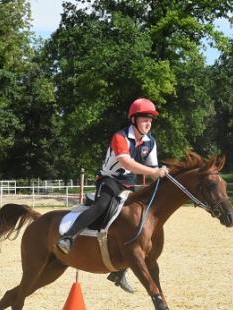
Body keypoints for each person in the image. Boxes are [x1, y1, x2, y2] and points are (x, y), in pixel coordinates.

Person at [56, 97, 169, 293]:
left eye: (150, 120)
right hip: (109, 180)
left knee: (135, 222)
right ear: (134, 120)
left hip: (130, 184)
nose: (148, 123)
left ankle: (120, 271)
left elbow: (153, 169)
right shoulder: (120, 137)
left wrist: (161, 180)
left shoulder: (151, 142)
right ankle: (68, 237)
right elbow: (126, 163)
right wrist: (153, 172)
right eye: (144, 119)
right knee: (102, 206)